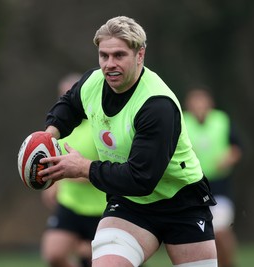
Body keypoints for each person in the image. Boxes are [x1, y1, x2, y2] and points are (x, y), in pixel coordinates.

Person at [38, 16, 218, 267]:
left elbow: (141, 178)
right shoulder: (93, 82)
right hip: (130, 205)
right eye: (104, 55)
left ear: (140, 55)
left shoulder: (157, 105)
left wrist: (83, 167)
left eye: (119, 55)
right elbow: (69, 104)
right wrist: (48, 136)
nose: (109, 64)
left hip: (181, 202)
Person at [40, 73, 107, 267]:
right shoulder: (57, 129)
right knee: (54, 254)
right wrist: (51, 185)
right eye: (64, 96)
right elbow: (52, 163)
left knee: (99, 261)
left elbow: (100, 170)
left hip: (100, 208)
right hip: (70, 204)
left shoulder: (99, 126)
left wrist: (68, 174)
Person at [183, 88, 242, 267]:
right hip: (193, 188)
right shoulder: (182, 122)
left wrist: (227, 159)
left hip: (220, 187)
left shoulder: (221, 120)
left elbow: (237, 147)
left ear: (210, 104)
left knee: (221, 231)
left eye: (202, 102)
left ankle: (228, 263)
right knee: (202, 236)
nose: (199, 107)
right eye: (195, 103)